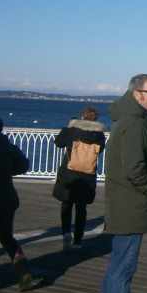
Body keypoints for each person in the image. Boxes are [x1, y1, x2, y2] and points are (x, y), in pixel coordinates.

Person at [97, 74, 147, 293]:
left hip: (123, 201)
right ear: (137, 94)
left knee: (117, 263)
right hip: (131, 204)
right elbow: (135, 168)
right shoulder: (135, 124)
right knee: (124, 267)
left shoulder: (126, 120)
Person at [0, 114, 37, 291]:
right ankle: (23, 271)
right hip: (6, 197)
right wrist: (7, 171)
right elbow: (23, 165)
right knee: (6, 237)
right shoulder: (8, 146)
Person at [52, 106, 106, 251]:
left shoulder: (72, 130)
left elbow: (58, 143)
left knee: (66, 204)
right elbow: (100, 150)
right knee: (81, 208)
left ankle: (66, 233)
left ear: (82, 116)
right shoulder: (99, 134)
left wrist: (68, 127)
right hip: (87, 174)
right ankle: (78, 240)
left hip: (69, 173)